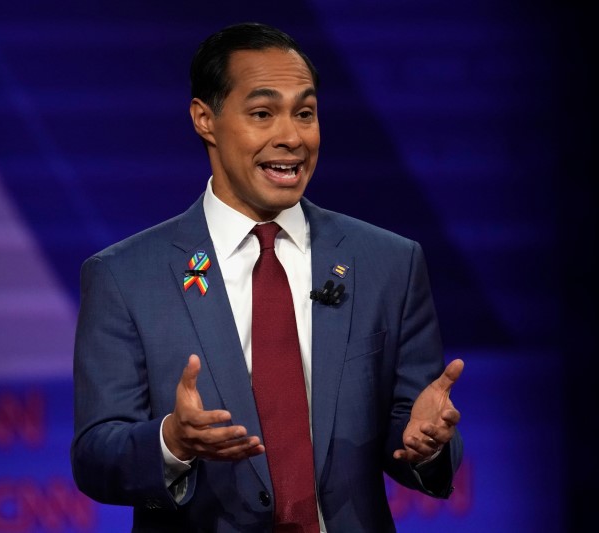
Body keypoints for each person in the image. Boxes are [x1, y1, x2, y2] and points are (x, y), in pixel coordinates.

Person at [71, 22, 464, 532]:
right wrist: (173, 441)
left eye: (305, 113)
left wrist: (426, 445)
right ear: (204, 120)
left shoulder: (389, 262)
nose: (292, 137)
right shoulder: (125, 277)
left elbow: (414, 428)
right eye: (262, 114)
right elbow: (96, 456)